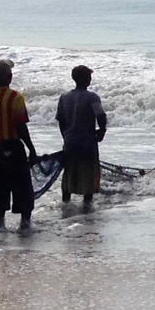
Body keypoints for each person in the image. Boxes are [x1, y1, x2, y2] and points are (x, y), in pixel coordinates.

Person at [0, 59, 39, 231]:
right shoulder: (16, 97)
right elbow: (20, 125)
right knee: (22, 185)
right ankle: (25, 223)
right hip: (13, 146)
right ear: (8, 77)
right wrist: (31, 148)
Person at [55, 65, 108, 213]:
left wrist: (65, 136)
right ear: (86, 79)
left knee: (69, 173)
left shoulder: (64, 97)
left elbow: (61, 120)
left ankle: (66, 203)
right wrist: (102, 131)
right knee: (89, 173)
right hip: (87, 142)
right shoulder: (92, 97)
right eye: (89, 77)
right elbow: (101, 115)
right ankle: (86, 206)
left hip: (70, 141)